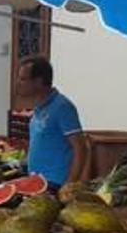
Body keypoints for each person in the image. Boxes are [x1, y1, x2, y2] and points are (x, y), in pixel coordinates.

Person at [15, 57, 83, 188]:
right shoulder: (38, 107)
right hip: (36, 179)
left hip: (55, 183)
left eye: (23, 79)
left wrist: (70, 183)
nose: (18, 83)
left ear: (38, 82)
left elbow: (80, 147)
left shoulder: (62, 107)